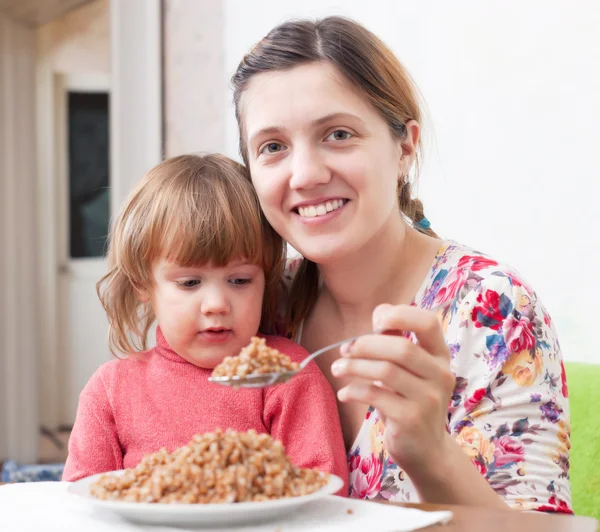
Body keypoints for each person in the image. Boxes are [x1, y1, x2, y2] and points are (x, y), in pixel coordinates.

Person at [230, 16, 571, 512]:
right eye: (273, 147)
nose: (303, 174)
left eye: (339, 134)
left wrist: (432, 455)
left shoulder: (492, 311)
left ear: (405, 146)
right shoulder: (257, 305)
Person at [62, 154, 348, 494]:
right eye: (189, 283)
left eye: (240, 281)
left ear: (266, 279)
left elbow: (322, 496)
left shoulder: (288, 377)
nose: (216, 305)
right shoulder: (110, 391)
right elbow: (81, 502)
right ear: (142, 284)